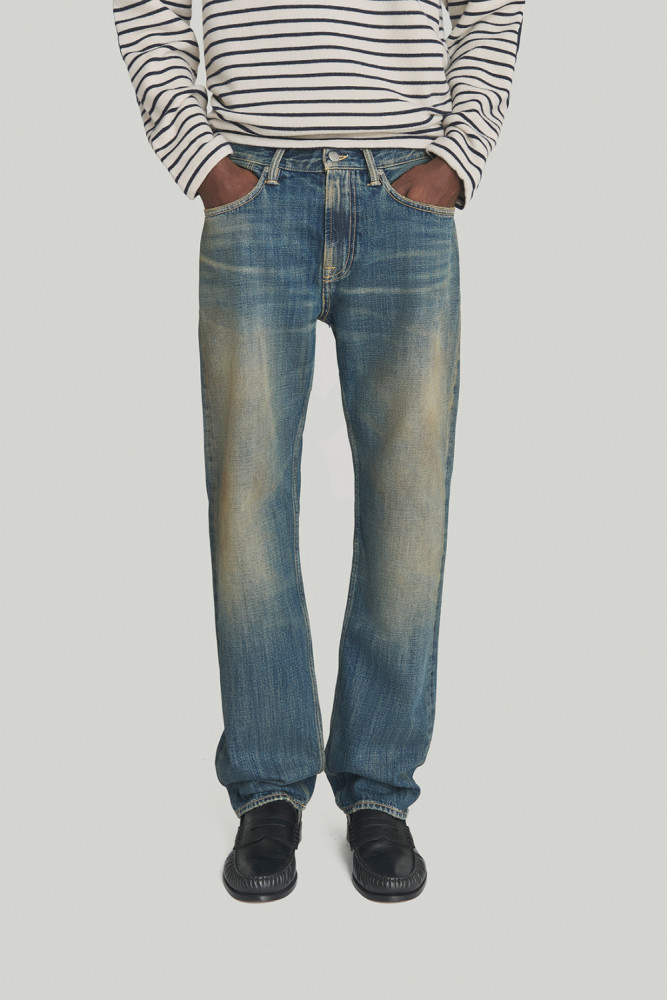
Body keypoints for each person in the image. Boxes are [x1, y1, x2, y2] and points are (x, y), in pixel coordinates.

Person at [113, 0, 524, 903]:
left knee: (408, 506)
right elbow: (148, 13)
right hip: (253, 187)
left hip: (405, 189)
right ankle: (268, 785)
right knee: (247, 503)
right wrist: (205, 163)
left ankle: (379, 789)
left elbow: (490, 11)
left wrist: (455, 158)